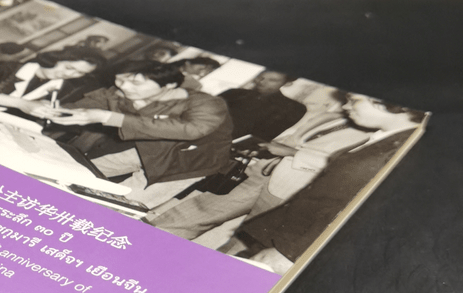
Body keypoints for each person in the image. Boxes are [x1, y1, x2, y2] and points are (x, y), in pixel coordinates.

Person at [145, 91, 374, 242]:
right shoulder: (332, 117)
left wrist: (292, 153)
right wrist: (267, 147)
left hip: (293, 186)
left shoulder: (374, 138)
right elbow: (294, 137)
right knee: (203, 208)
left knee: (246, 239)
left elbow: (344, 167)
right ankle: (151, 236)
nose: (346, 105)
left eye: (354, 101)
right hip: (263, 171)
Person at [237, 97, 424, 272]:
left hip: (297, 247)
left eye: (354, 100)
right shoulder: (386, 137)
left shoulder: (405, 149)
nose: (345, 106)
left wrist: (291, 253)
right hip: (286, 233)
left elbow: (357, 211)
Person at [43, 61, 234, 207]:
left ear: (168, 85)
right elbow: (85, 105)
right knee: (73, 171)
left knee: (119, 203)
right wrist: (48, 109)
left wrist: (111, 117)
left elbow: (192, 129)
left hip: (187, 162)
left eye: (135, 83)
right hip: (147, 148)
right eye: (120, 80)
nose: (125, 87)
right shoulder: (122, 92)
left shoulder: (207, 103)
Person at [0, 46, 105, 112]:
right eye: (69, 68)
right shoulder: (3, 68)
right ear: (55, 59)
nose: (70, 75)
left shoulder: (60, 90)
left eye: (79, 73)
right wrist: (20, 104)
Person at [219, 71, 307, 142]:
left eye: (272, 80)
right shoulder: (233, 93)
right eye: (261, 77)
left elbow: (262, 136)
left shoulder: (293, 108)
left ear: (287, 83)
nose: (261, 82)